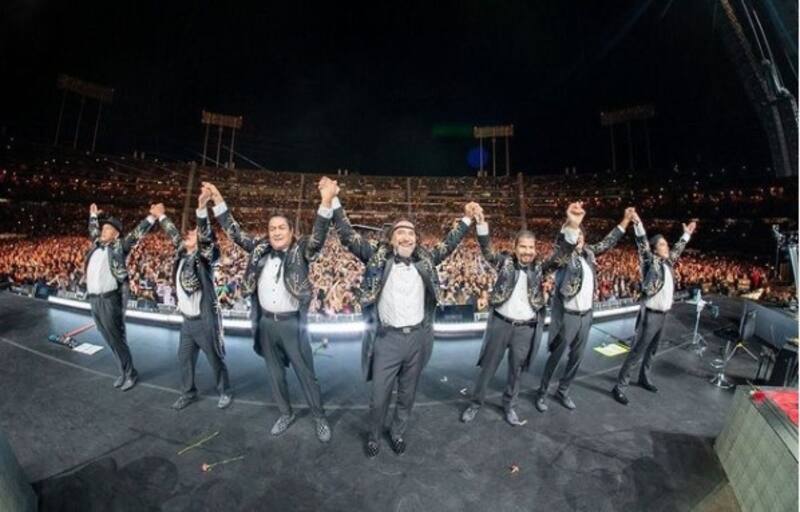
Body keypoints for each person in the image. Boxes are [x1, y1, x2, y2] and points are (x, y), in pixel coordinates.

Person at [325, 176, 478, 457]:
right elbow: (348, 236)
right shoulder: (377, 256)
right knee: (378, 397)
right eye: (401, 232)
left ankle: (397, 433)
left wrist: (467, 219)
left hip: (418, 338)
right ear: (391, 238)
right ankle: (374, 435)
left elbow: (449, 244)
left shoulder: (426, 259)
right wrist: (333, 199)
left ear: (416, 239)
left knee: (407, 395)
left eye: (411, 233)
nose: (407, 237)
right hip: (387, 339)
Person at [203, 180, 335, 442]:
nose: (276, 232)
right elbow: (235, 232)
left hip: (292, 325)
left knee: (306, 374)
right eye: (272, 228)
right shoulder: (260, 249)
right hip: (265, 324)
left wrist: (326, 201)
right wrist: (217, 200)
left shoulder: (301, 250)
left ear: (291, 231)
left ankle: (319, 417)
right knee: (275, 375)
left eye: (281, 227)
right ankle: (285, 413)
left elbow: (318, 238)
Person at [460, 202, 584, 426]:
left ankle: (510, 406)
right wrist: (481, 224)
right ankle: (475, 404)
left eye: (531, 247)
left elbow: (562, 255)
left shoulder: (540, 268)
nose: (527, 251)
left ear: (535, 249)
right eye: (523, 247)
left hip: (525, 329)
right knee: (488, 368)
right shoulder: (504, 263)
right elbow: (487, 250)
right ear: (515, 247)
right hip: (500, 325)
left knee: (516, 372)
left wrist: (573, 226)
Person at [535, 207, 635, 412]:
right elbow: (560, 246)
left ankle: (563, 391)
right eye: (575, 234)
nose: (578, 237)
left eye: (581, 234)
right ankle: (542, 393)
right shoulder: (564, 256)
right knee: (556, 357)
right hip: (568, 317)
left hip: (586, 316)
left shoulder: (589, 253)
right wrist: (572, 224)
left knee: (576, 358)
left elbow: (608, 242)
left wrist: (625, 220)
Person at [612, 214, 697, 405]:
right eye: (662, 245)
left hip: (663, 315)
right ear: (654, 249)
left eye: (666, 244)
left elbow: (677, 249)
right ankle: (619, 387)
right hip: (650, 316)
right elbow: (642, 244)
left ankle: (644, 378)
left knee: (652, 351)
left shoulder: (667, 262)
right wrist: (638, 224)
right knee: (637, 351)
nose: (667, 247)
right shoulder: (650, 262)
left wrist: (686, 235)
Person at [160, 189, 232, 410]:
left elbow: (207, 240)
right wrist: (161, 216)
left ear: (200, 241)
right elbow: (174, 235)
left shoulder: (204, 260)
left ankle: (225, 391)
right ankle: (188, 392)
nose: (187, 234)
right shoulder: (183, 254)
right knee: (184, 359)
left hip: (204, 321)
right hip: (187, 323)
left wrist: (201, 208)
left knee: (215, 358)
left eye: (193, 233)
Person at [85, 202, 162, 391]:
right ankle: (123, 372)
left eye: (108, 229)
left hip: (110, 299)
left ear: (116, 235)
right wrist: (93, 216)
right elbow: (93, 230)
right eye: (103, 228)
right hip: (94, 300)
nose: (103, 231)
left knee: (117, 338)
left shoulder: (119, 247)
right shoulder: (96, 244)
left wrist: (152, 217)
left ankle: (130, 373)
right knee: (109, 338)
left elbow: (136, 234)